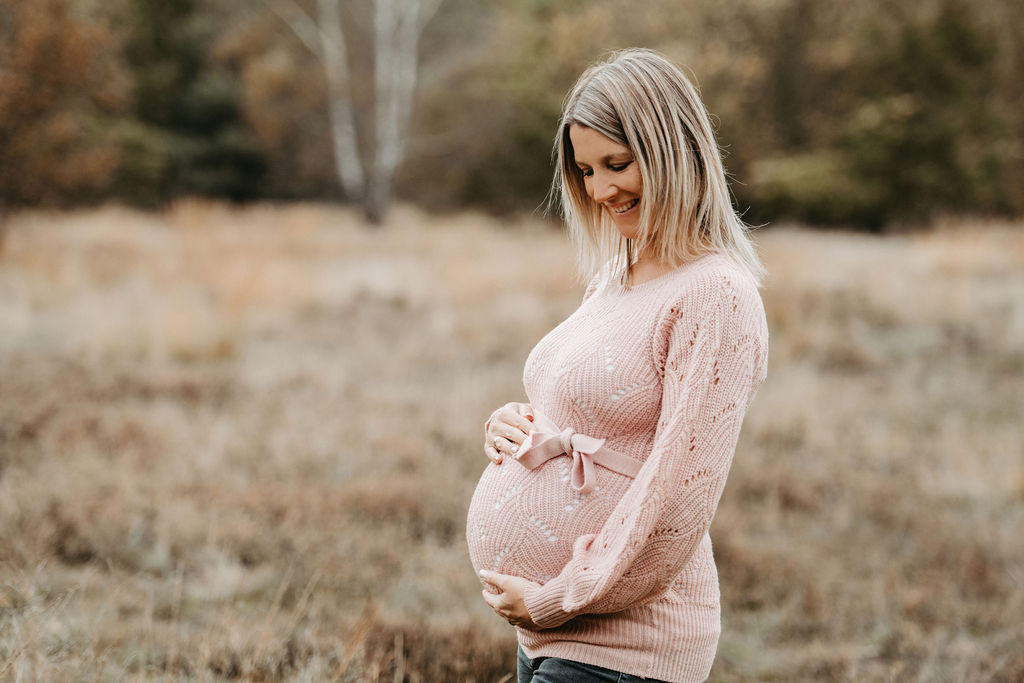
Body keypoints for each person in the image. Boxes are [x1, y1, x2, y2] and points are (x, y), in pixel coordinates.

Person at [466, 48, 769, 683]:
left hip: (627, 648)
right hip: (549, 634)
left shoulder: (715, 296)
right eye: (584, 171)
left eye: (617, 164)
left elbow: (676, 497)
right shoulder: (618, 274)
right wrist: (517, 429)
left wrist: (556, 599)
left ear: (671, 151)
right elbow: (588, 413)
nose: (600, 190)